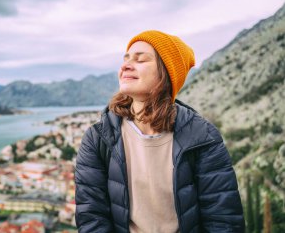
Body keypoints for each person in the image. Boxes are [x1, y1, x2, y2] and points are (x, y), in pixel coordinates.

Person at [74, 30, 245, 233]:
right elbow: (92, 218)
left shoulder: (203, 138)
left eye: (140, 59)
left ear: (166, 73)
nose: (125, 65)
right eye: (126, 58)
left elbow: (223, 220)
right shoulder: (98, 138)